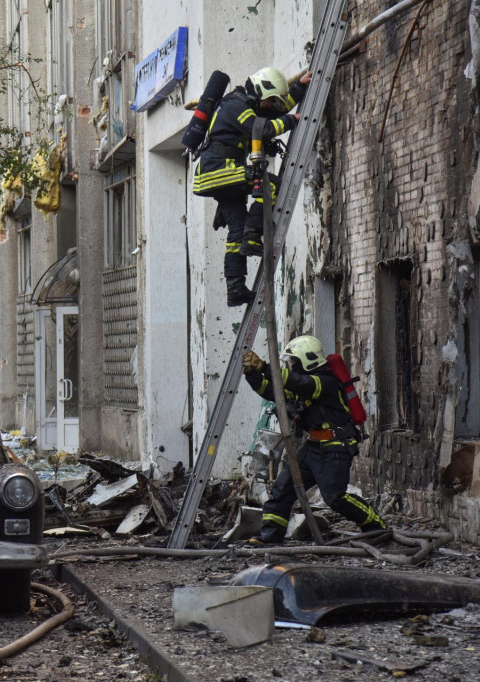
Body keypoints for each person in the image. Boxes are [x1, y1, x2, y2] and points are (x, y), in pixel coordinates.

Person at [241, 335, 387, 544]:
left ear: (306, 360)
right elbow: (274, 392)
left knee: (334, 497)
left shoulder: (325, 382)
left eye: (293, 362)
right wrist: (253, 375)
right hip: (312, 448)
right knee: (282, 489)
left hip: (335, 447)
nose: (291, 366)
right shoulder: (302, 385)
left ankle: (376, 528)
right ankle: (270, 536)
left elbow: (300, 383)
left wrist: (265, 367)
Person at [192, 67, 312, 306]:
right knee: (272, 186)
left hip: (221, 174)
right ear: (260, 91)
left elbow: (273, 112)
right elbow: (264, 128)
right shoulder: (235, 106)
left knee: (235, 230)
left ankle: (235, 288)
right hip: (216, 171)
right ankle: (253, 236)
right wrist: (293, 120)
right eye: (269, 100)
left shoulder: (245, 106)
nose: (270, 105)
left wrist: (299, 87)